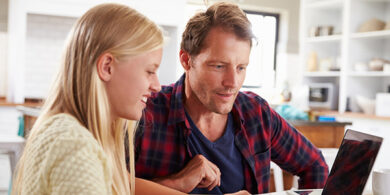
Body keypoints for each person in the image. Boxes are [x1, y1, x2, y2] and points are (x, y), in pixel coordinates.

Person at [134, 2, 329, 194]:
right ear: (186, 60)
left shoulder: (257, 113)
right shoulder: (143, 111)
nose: (233, 82)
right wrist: (176, 183)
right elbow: (111, 186)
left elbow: (314, 165)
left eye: (241, 68)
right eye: (218, 66)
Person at [12, 3, 185, 195]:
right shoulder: (74, 145)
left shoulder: (66, 133)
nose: (157, 85)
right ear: (107, 67)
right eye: (150, 71)